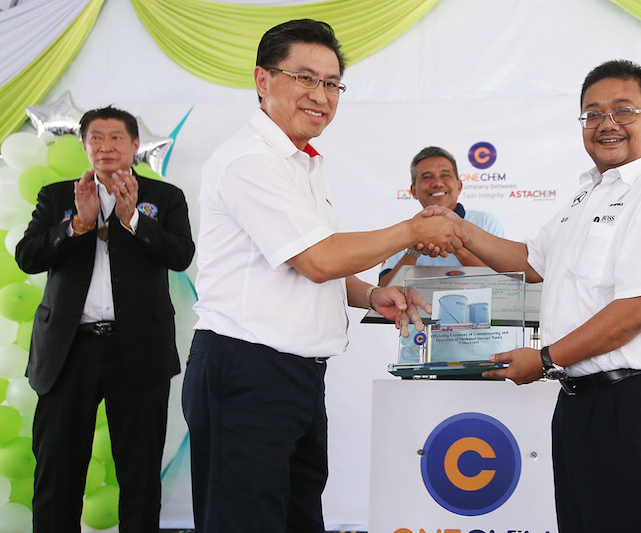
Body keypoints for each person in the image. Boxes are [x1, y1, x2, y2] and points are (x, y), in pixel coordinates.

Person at [181, 19, 463, 533]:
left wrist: (373, 295)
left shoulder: (303, 163)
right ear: (263, 80)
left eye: (332, 83)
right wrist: (411, 229)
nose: (321, 95)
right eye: (305, 78)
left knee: (299, 519)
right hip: (247, 371)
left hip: (298, 377)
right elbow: (318, 259)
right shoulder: (249, 160)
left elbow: (308, 262)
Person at [425, 60, 641, 532]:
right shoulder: (586, 195)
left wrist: (544, 359)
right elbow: (531, 261)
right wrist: (458, 229)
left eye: (623, 110)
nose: (607, 123)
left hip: (638, 404)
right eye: (593, 114)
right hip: (581, 402)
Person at [15, 106, 195, 532]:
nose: (106, 146)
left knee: (139, 471)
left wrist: (133, 219)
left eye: (116, 138)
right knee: (57, 471)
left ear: (135, 145)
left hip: (138, 350)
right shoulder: (57, 196)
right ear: (84, 146)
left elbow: (180, 255)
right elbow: (28, 257)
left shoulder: (164, 197)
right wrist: (78, 223)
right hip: (67, 351)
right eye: (96, 137)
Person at [377, 146, 504, 287]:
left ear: (459, 186)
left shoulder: (486, 222)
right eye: (427, 177)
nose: (437, 183)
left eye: (445, 175)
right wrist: (413, 249)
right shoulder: (403, 231)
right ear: (413, 191)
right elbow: (383, 289)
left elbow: (502, 283)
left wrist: (454, 244)